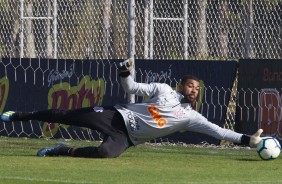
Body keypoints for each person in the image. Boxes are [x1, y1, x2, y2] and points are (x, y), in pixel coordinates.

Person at [0, 59, 263, 158]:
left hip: (126, 138)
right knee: (67, 116)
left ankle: (61, 151)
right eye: (190, 85)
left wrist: (247, 140)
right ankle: (20, 116)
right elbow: (131, 87)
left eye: (198, 88)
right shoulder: (163, 89)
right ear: (181, 85)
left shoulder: (191, 118)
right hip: (117, 116)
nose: (195, 89)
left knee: (106, 154)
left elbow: (218, 132)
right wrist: (125, 73)